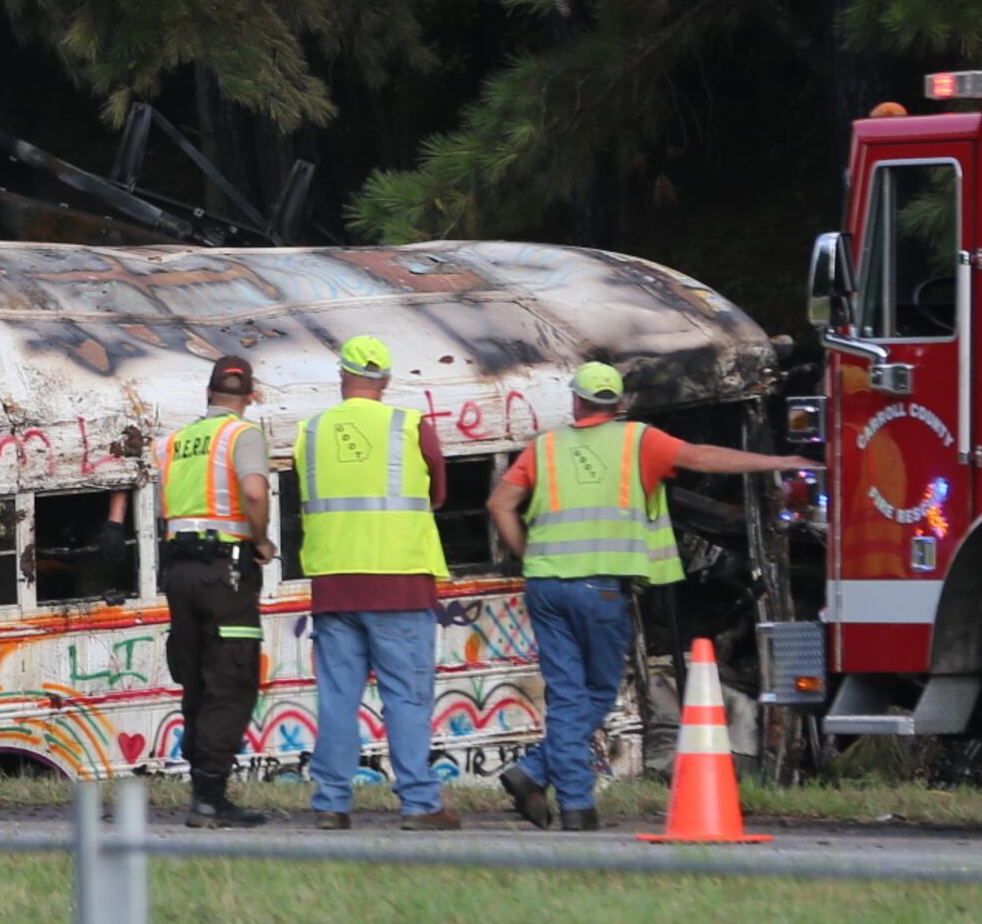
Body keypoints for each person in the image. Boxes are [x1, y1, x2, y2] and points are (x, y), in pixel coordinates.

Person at [489, 362, 813, 832]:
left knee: (566, 696)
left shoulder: (545, 447)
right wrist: (778, 461)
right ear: (618, 404)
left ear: (576, 402)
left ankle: (571, 801)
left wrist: (530, 555)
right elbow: (703, 458)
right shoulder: (639, 440)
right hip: (598, 589)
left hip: (546, 587)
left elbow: (499, 505)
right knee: (598, 692)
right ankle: (541, 779)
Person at [295, 337, 455, 831]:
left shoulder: (312, 429)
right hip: (399, 582)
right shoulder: (410, 425)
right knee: (406, 696)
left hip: (334, 583)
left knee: (338, 697)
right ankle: (419, 804)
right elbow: (440, 494)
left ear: (341, 376)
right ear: (385, 380)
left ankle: (331, 803)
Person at [155, 354, 276, 829]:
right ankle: (210, 798)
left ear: (207, 394)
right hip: (225, 570)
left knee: (197, 677)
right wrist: (261, 538)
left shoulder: (175, 442)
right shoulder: (242, 435)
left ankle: (202, 788)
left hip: (178, 573)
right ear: (251, 396)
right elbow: (253, 492)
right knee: (231, 677)